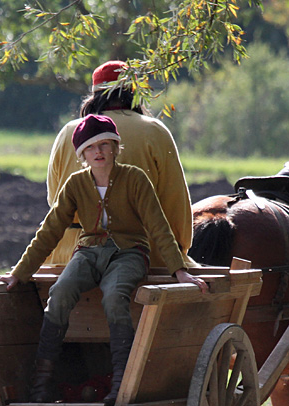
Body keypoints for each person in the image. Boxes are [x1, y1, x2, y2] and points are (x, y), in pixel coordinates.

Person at [0, 114, 207, 406]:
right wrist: (19, 273)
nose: (99, 152)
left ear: (115, 148)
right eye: (91, 148)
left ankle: (121, 382)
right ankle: (42, 385)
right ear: (82, 154)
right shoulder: (75, 184)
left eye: (105, 145)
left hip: (129, 252)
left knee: (114, 295)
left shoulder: (135, 178)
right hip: (88, 252)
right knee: (59, 293)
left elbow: (158, 226)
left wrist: (179, 271)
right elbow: (51, 229)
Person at [45, 60, 195, 269]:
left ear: (95, 95)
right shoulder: (154, 131)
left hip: (69, 256)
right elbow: (175, 204)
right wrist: (181, 248)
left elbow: (55, 200)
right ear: (133, 93)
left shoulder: (68, 132)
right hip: (142, 254)